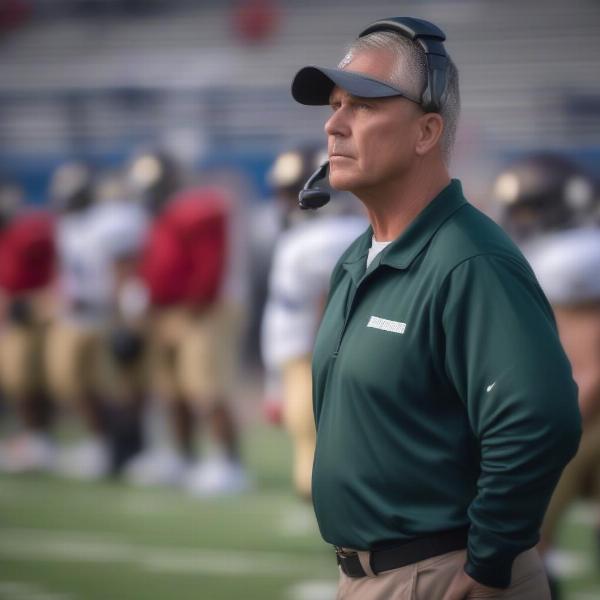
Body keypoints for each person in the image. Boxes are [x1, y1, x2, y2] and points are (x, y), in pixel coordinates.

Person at [290, 16, 581, 599]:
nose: (334, 124)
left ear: (426, 132)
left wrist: (488, 562)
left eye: (363, 107)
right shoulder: (356, 258)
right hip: (375, 576)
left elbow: (538, 418)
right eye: (335, 104)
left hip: (444, 574)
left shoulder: (471, 260)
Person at [493, 152, 600, 599]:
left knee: (522, 543)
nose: (519, 222)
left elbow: (589, 356)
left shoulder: (569, 259)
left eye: (527, 210)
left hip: (581, 414)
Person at [261, 144, 367, 499]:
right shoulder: (335, 233)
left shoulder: (321, 239)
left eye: (293, 192)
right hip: (304, 355)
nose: (286, 202)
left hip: (316, 356)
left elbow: (329, 304)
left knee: (317, 463)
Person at [0, 179, 56, 472]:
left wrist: (38, 301)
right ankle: (31, 437)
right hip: (12, 316)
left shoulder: (31, 233)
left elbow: (56, 270)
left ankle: (39, 438)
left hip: (32, 314)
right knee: (15, 380)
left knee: (28, 380)